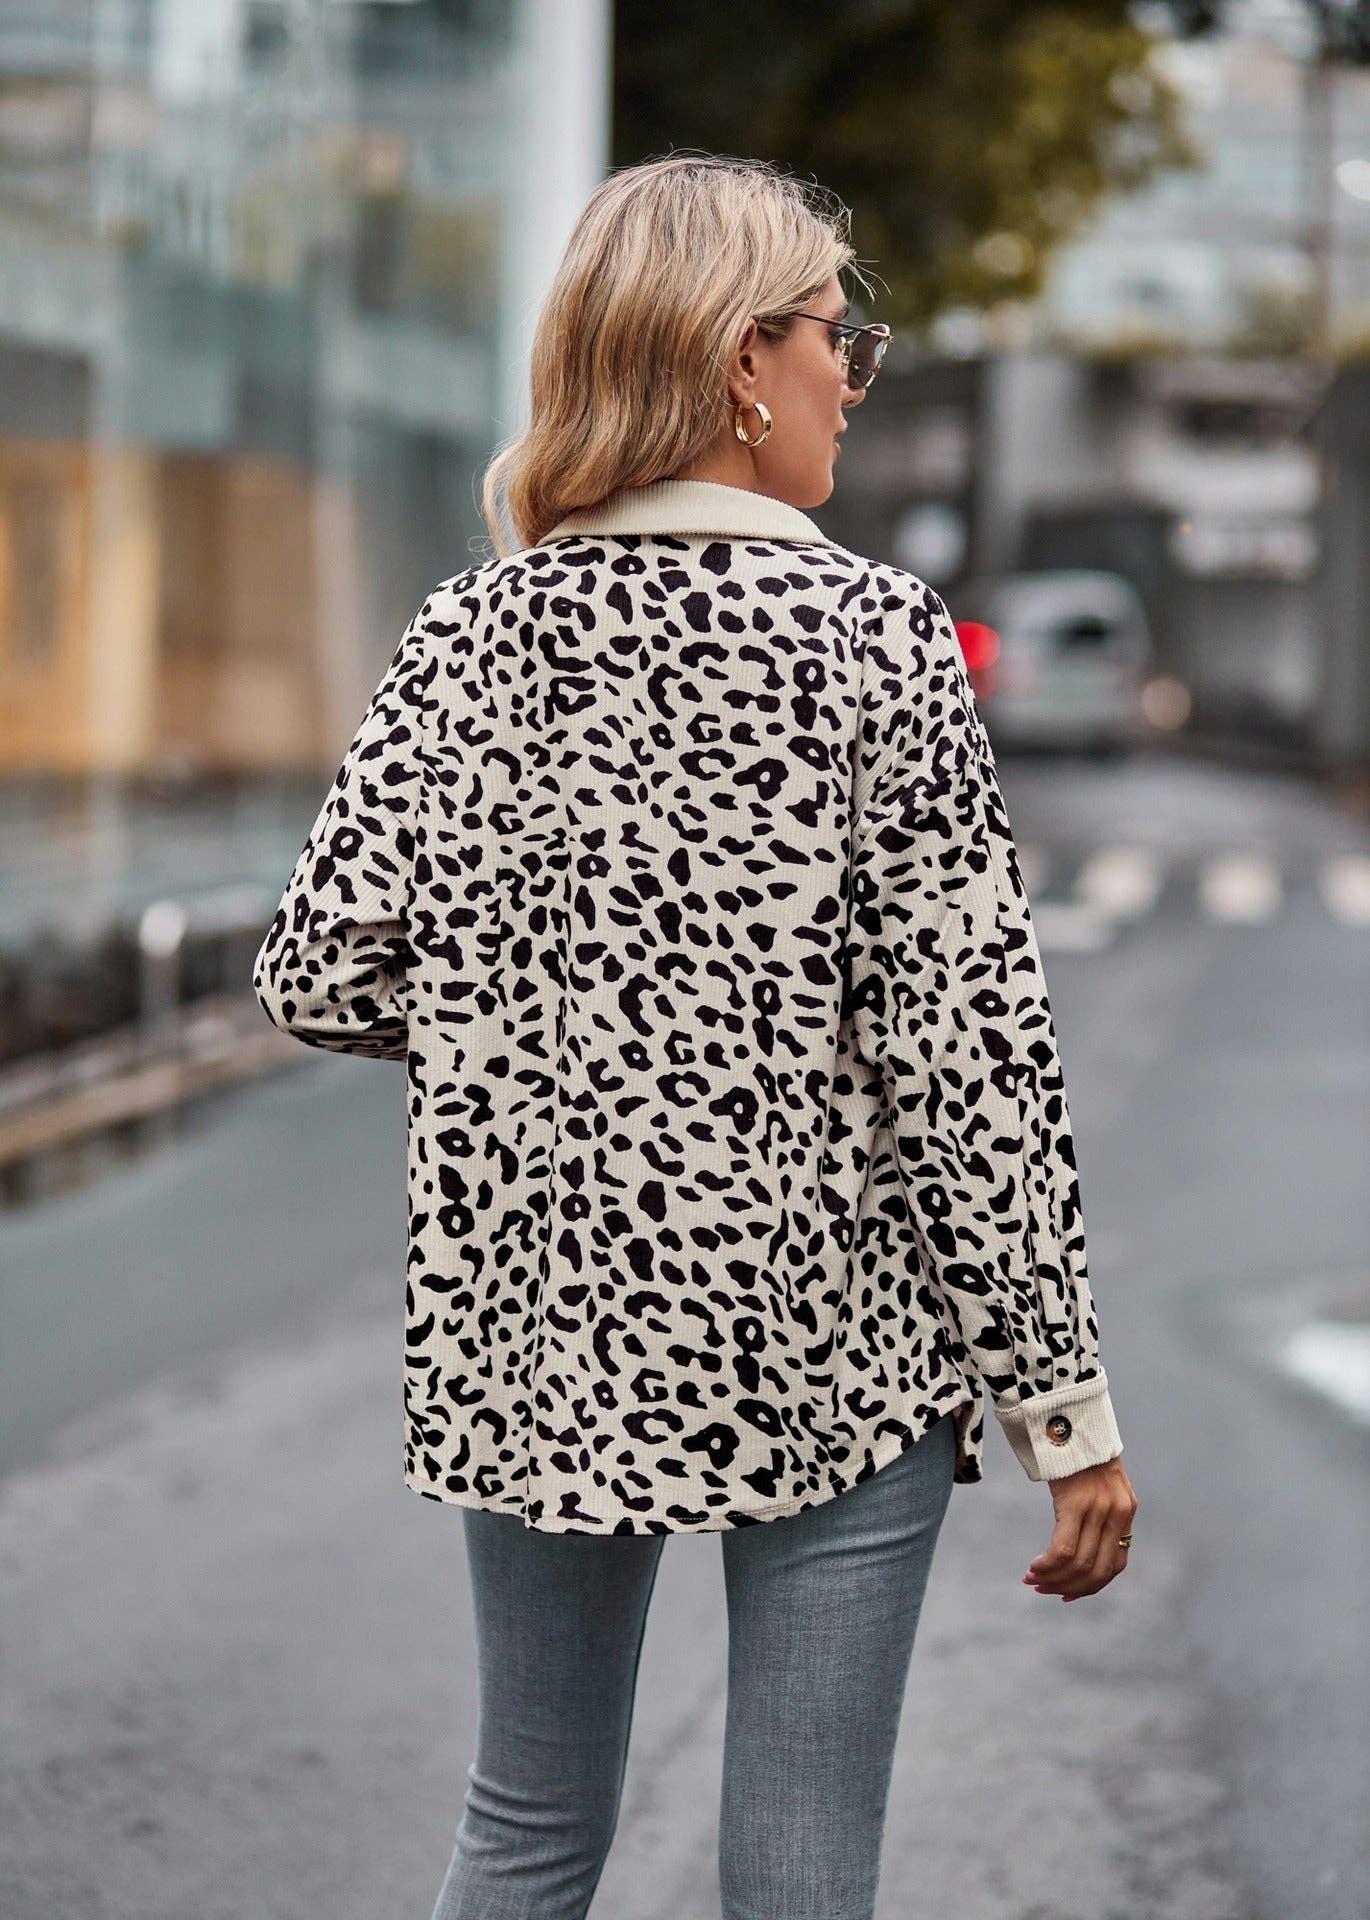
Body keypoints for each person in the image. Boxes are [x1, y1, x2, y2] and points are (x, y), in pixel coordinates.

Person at [253, 152, 1138, 1920]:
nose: (848, 378)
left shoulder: (471, 632)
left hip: (541, 1332)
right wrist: (1063, 1409)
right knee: (798, 1869)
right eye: (834, 338)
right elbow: (967, 1062)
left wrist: (542, 1022)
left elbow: (319, 973)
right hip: (833, 1340)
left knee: (525, 1823)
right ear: (743, 358)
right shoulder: (871, 635)